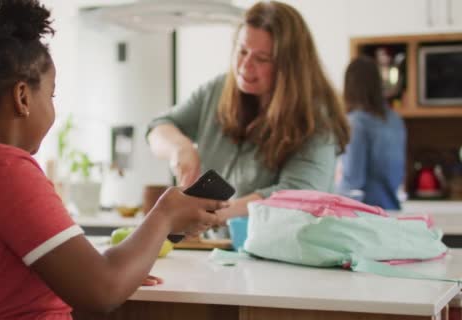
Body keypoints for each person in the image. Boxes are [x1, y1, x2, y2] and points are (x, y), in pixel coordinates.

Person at [0, 1, 224, 319]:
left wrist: (126, 263)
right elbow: (102, 291)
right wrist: (166, 212)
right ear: (22, 97)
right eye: (52, 94)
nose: (53, 107)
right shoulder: (2, 170)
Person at [147, 1, 349, 220]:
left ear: (289, 67)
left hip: (278, 251)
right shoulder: (217, 90)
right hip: (215, 246)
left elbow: (300, 196)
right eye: (242, 51)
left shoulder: (316, 118)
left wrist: (214, 214)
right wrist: (180, 148)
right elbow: (159, 127)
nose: (245, 66)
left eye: (262, 59)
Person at [337, 56, 406, 210]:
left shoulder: (355, 122)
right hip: (392, 208)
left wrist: (327, 195)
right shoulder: (395, 119)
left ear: (349, 86)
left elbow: (353, 181)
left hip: (366, 214)